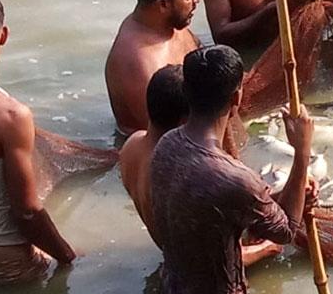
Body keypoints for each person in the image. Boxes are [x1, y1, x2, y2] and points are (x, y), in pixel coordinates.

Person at [151, 45, 315, 294]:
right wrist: (302, 154)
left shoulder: (166, 145)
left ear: (187, 91)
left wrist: (290, 192)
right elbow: (286, 231)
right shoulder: (235, 178)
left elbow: (230, 210)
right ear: (237, 98)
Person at [0, 0, 76, 284]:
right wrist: (67, 256)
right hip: (3, 259)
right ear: (3, 36)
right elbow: (26, 212)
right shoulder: (9, 116)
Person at [119, 64, 281, 265]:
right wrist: (266, 248)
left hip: (171, 253)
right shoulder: (187, 174)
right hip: (206, 274)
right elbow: (212, 259)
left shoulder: (131, 146)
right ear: (185, 121)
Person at [105, 0, 201, 137]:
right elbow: (168, 137)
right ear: (163, 5)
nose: (197, 0)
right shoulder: (139, 63)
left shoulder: (170, 23)